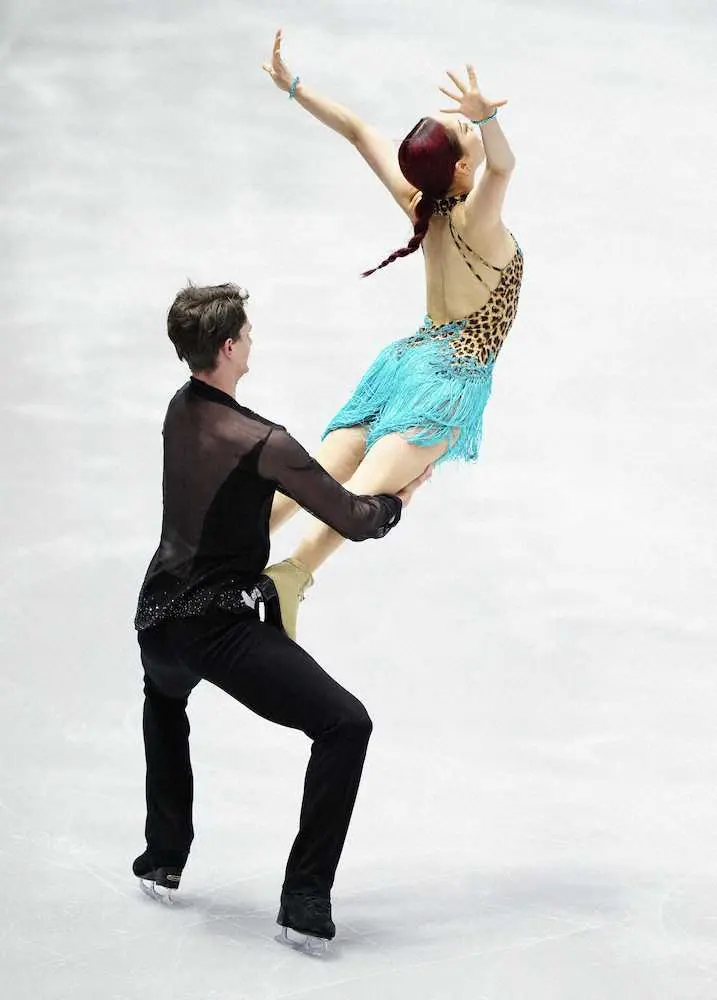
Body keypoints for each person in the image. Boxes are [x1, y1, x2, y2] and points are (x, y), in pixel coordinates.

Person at [131, 282, 430, 951]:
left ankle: (162, 855)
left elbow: (230, 504)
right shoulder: (263, 440)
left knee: (164, 701)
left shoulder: (179, 410)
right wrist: (398, 499)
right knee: (345, 724)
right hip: (215, 629)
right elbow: (353, 518)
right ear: (228, 347)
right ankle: (304, 897)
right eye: (246, 333)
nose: (252, 340)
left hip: (155, 621)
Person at [262, 29, 524, 640]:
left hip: (404, 361)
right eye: (462, 130)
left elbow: (357, 130)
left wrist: (293, 85)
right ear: (461, 168)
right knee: (354, 496)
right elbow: (505, 165)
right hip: (447, 380)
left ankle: (219, 546)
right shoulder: (477, 218)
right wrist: (488, 119)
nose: (465, 125)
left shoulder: (421, 203)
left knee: (317, 476)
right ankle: (289, 579)